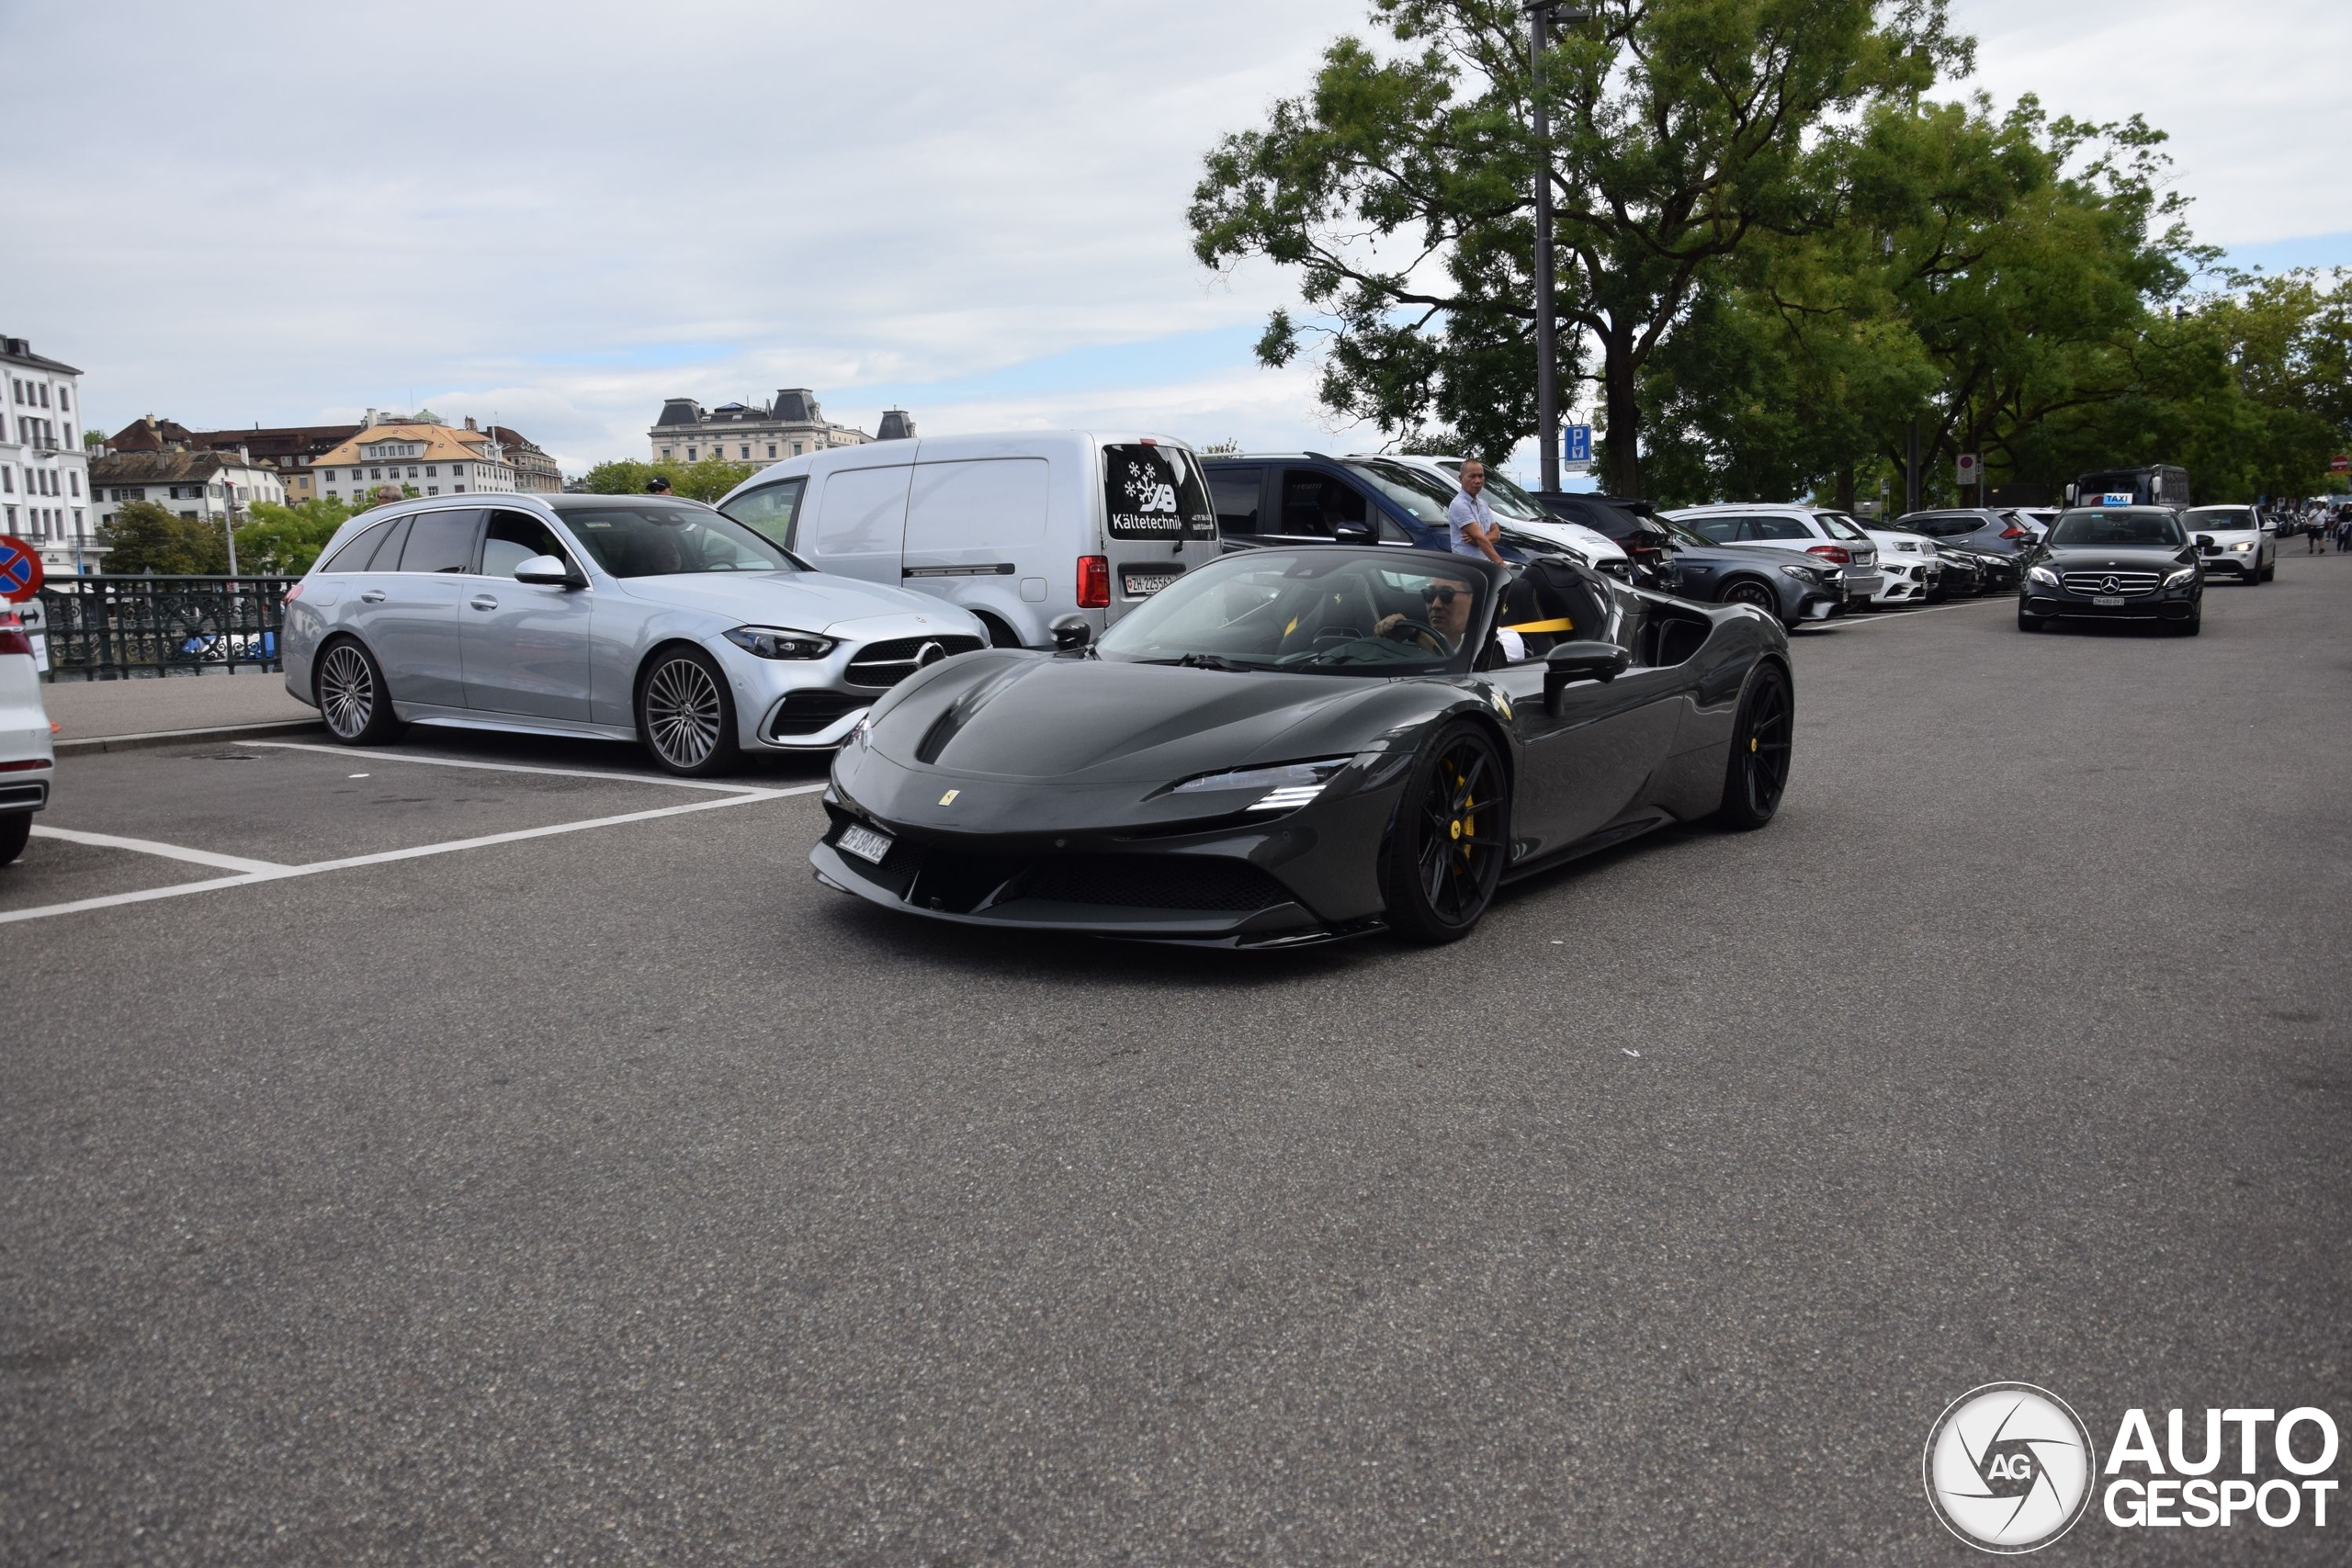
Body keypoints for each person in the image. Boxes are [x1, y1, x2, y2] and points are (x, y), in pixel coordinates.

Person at [1448, 460, 1508, 568]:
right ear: (1461, 479)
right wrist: (1501, 564)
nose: (1478, 481)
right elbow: (1481, 538)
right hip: (1467, 567)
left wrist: (1477, 541)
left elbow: (1496, 534)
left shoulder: (1483, 504)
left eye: (1481, 476)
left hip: (1483, 565)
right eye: (1472, 476)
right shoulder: (1459, 505)